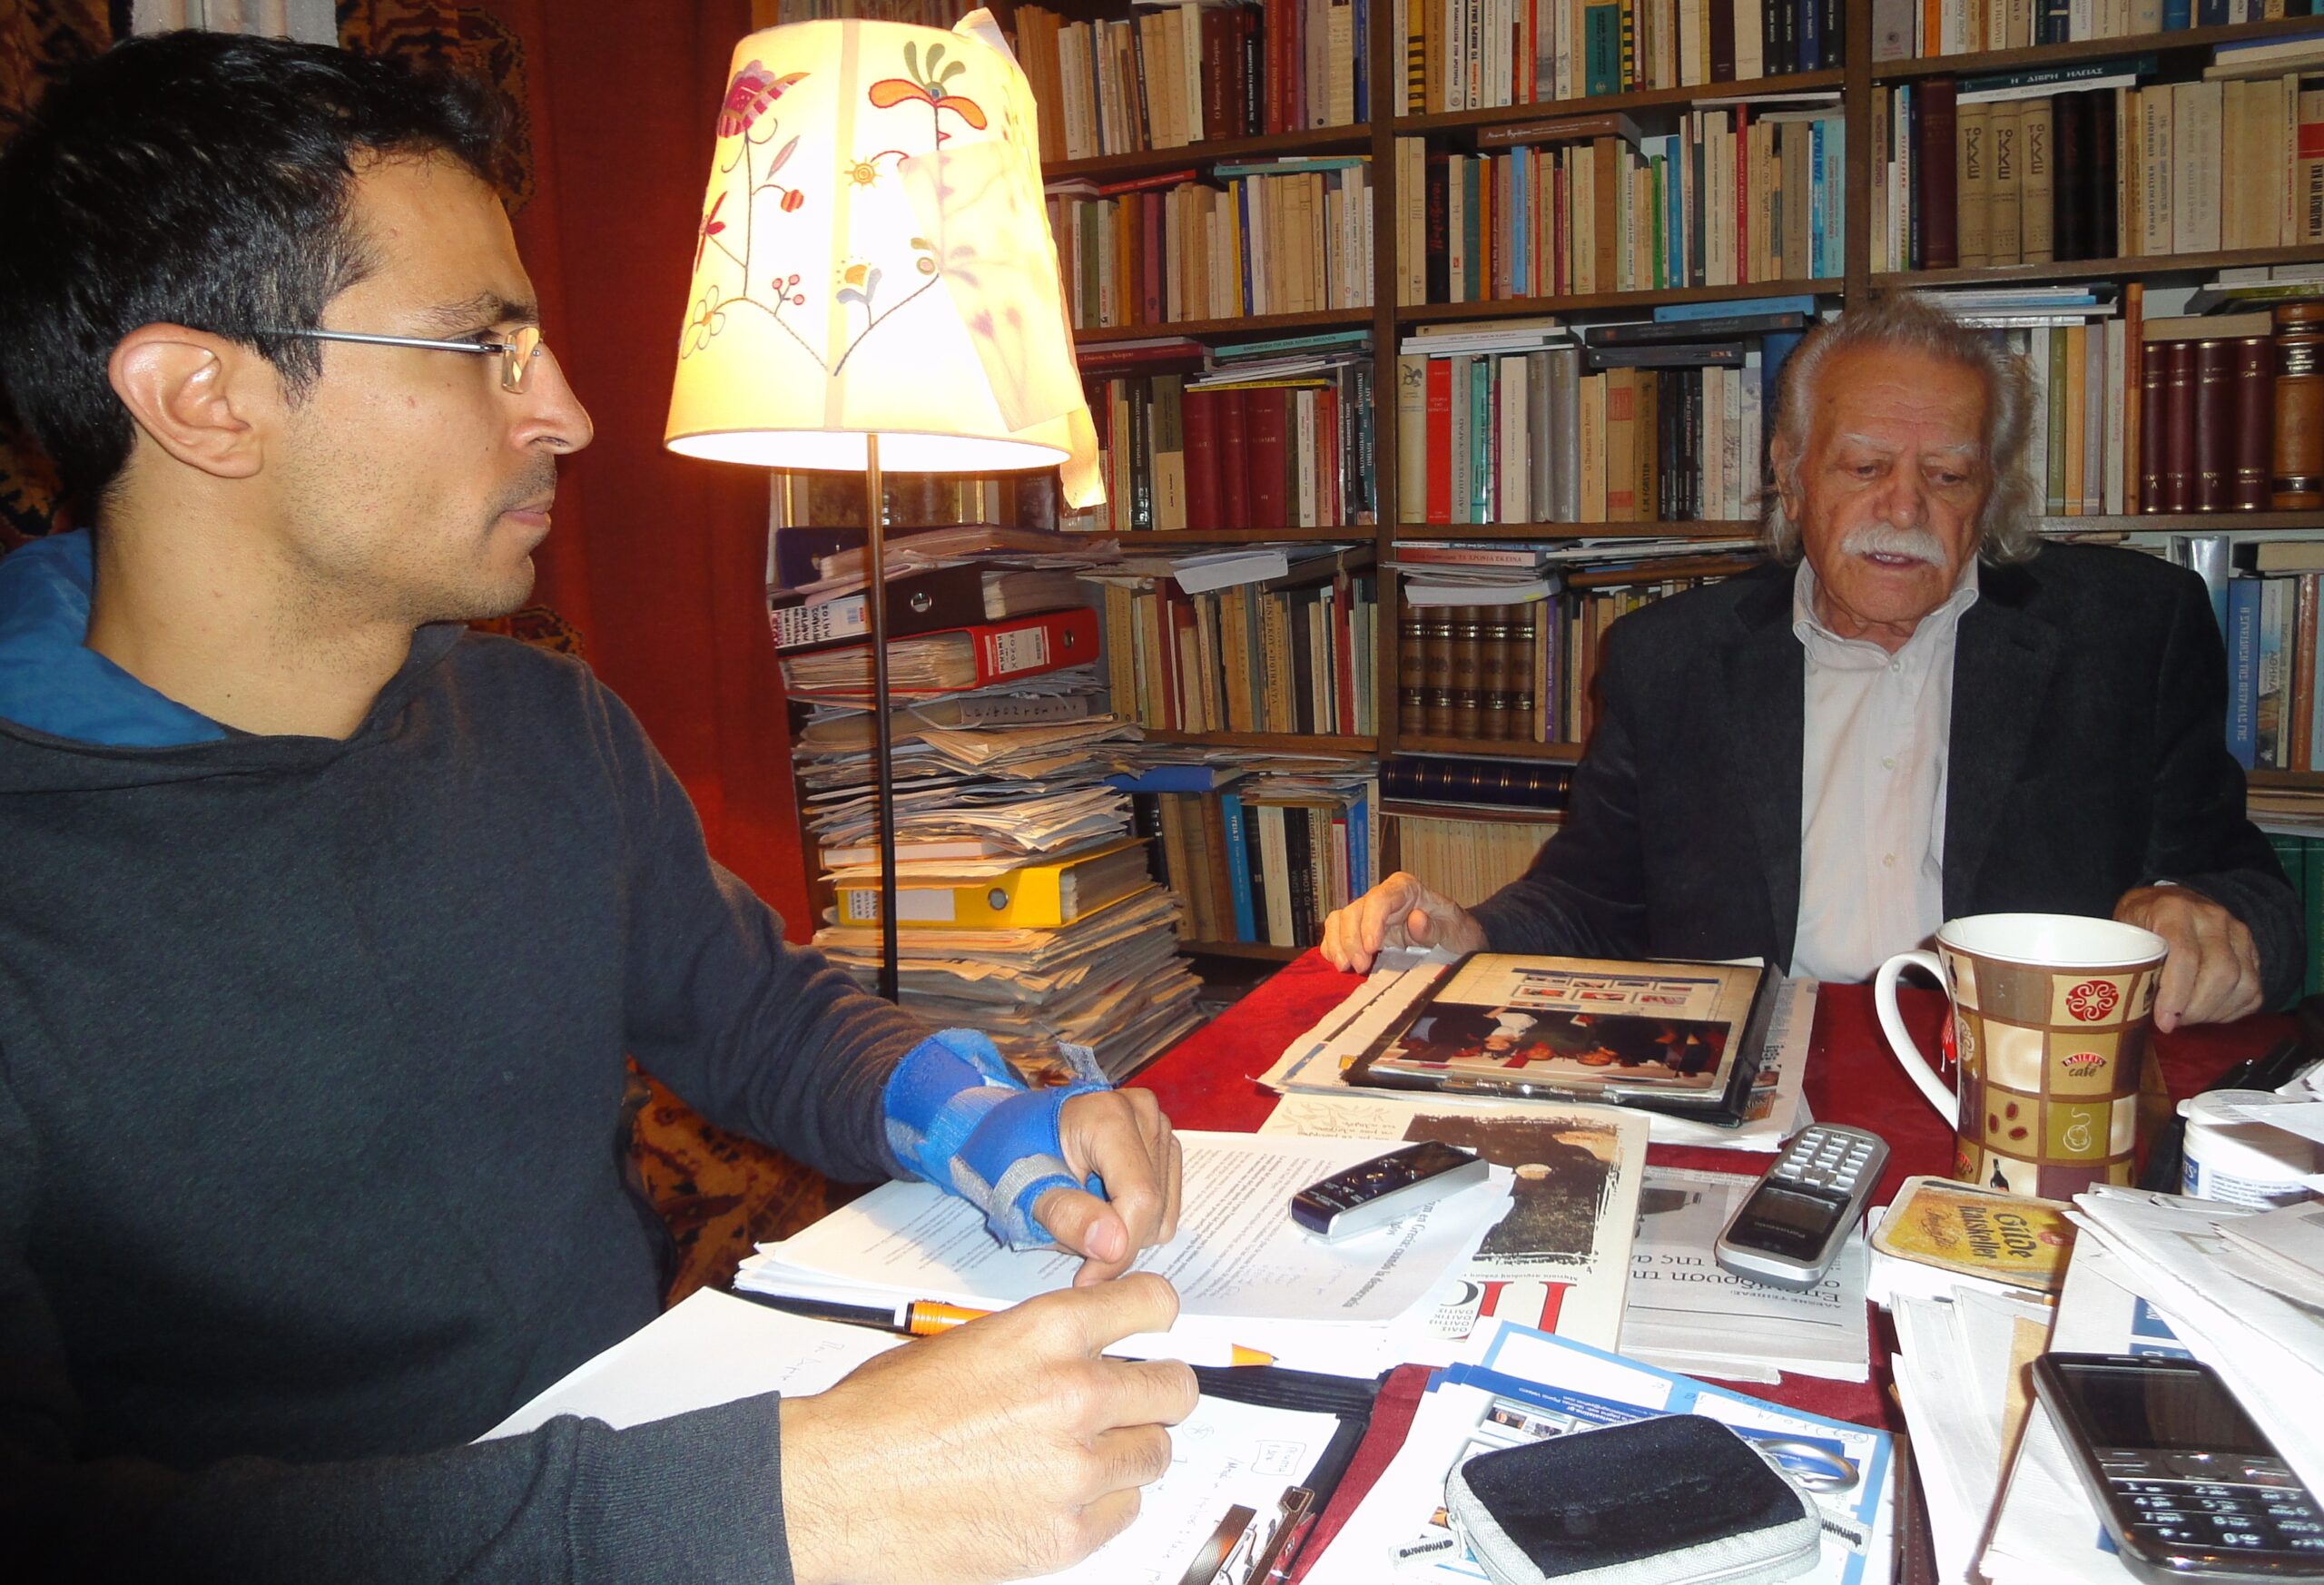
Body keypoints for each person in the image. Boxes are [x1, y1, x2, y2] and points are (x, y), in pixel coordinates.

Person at [0, 32, 1191, 1585]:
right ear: (203, 398)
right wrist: (762, 1508)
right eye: (484, 348)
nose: (563, 410)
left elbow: (756, 1012)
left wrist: (980, 1114)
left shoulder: (542, 722)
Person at [1325, 292, 2300, 1033]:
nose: (1904, 508)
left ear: (1991, 492)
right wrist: (1470, 934)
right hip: (1746, 1079)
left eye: (1947, 475)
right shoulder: (1669, 659)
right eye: (1864, 468)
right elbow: (1594, 898)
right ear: (1791, 478)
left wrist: (2209, 920)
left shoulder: (2129, 631)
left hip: (2014, 1089)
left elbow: (2246, 888)